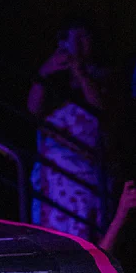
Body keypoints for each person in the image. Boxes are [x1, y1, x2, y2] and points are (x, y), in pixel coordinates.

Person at [28, 17, 108, 241]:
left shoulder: (102, 76)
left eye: (85, 37)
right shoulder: (54, 77)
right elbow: (33, 109)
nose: (80, 44)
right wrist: (44, 73)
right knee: (53, 236)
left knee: (85, 236)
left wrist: (80, 73)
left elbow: (100, 110)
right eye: (75, 38)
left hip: (86, 173)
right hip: (54, 175)